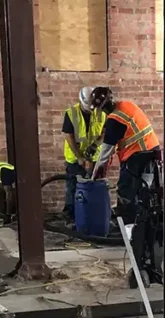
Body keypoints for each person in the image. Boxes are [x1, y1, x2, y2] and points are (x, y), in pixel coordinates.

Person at [89, 87, 161, 222]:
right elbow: (109, 132)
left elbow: (105, 154)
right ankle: (144, 222)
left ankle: (127, 223)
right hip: (152, 151)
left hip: (137, 156)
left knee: (126, 190)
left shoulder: (115, 120)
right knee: (146, 190)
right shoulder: (125, 105)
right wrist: (95, 145)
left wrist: (94, 176)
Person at [62, 86, 106, 220]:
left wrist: (95, 146)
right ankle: (70, 216)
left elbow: (104, 132)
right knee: (73, 187)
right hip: (75, 158)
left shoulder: (100, 112)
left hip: (94, 157)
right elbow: (69, 136)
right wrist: (80, 157)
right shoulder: (71, 113)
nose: (89, 108)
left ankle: (92, 215)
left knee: (94, 186)